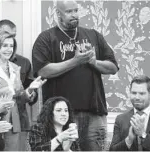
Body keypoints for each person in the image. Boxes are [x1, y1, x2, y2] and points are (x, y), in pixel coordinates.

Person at [32, 0, 119, 150]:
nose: (74, 15)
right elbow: (42, 71)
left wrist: (94, 62)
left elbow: (113, 67)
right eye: (69, 12)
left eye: (76, 11)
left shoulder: (93, 35)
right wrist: (75, 61)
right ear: (58, 14)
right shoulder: (46, 38)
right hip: (62, 115)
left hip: (95, 113)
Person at [0, 30, 47, 151]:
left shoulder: (15, 68)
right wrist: (9, 92)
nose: (9, 49)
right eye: (5, 45)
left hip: (18, 121)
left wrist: (29, 89)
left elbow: (19, 98)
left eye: (11, 46)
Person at [109, 75, 150, 151]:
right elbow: (112, 150)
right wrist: (129, 140)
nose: (137, 97)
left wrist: (143, 135)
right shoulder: (120, 119)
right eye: (134, 93)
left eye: (141, 93)